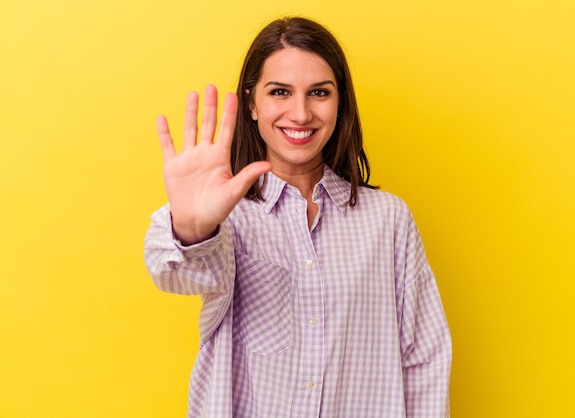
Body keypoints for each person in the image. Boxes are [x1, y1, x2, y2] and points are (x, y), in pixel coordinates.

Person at [144, 16, 451, 417]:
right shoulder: (229, 217)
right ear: (252, 104)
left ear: (340, 103)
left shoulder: (388, 221)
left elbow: (424, 358)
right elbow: (175, 273)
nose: (301, 113)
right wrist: (193, 228)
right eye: (280, 92)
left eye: (319, 92)